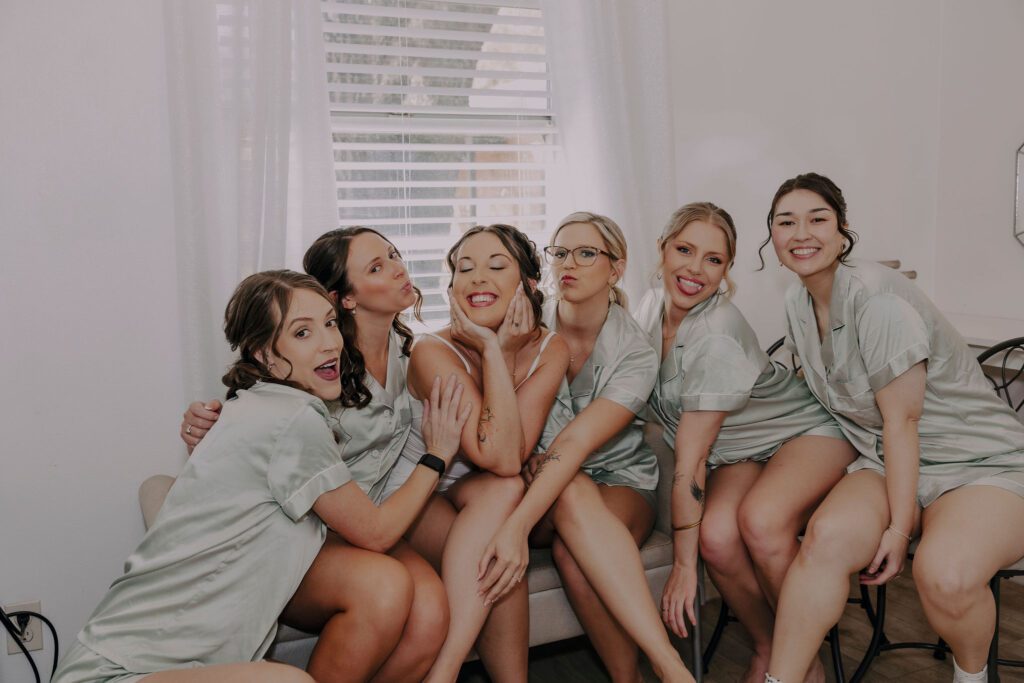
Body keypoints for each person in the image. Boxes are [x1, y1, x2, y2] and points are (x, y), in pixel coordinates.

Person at [55, 270, 470, 683]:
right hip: (118, 672)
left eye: (329, 323)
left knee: (384, 589)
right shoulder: (291, 417)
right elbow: (376, 533)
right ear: (264, 354)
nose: (329, 342)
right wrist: (437, 454)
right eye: (302, 333)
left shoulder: (262, 407)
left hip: (169, 666)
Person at [762, 173, 1024, 683]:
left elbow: (902, 421)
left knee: (944, 573)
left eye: (818, 219)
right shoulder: (797, 302)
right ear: (771, 235)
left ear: (842, 230)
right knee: (825, 539)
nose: (801, 233)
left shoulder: (878, 301)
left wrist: (898, 530)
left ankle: (973, 678)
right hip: (887, 459)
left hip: (978, 464)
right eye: (786, 222)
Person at [181, 228, 452, 681]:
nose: (398, 269)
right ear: (345, 298)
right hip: (310, 530)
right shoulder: (313, 364)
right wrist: (203, 428)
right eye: (377, 266)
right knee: (387, 589)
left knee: (431, 616)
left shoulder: (411, 356)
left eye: (393, 255)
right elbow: (258, 420)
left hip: (368, 519)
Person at [633, 202, 856, 683]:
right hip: (739, 448)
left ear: (727, 269)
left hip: (806, 430)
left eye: (713, 259)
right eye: (685, 250)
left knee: (761, 522)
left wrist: (683, 567)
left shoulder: (716, 334)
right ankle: (768, 644)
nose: (695, 269)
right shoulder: (649, 306)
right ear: (662, 248)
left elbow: (690, 461)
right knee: (715, 537)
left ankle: (803, 663)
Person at [479, 212, 694, 683]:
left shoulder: (635, 352)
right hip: (536, 489)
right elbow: (495, 417)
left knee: (573, 554)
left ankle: (634, 677)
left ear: (616, 269)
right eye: (559, 253)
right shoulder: (524, 324)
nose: (567, 264)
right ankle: (668, 666)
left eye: (585, 253)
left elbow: (576, 442)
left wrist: (517, 524)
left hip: (620, 481)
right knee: (571, 488)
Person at [381, 223, 570, 683]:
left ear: (528, 285)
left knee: (503, 501)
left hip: (479, 491)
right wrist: (492, 348)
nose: (477, 278)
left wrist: (495, 352)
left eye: (496, 266)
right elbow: (498, 455)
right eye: (465, 269)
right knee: (497, 550)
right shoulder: (431, 350)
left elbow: (507, 458)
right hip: (416, 492)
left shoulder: (550, 347)